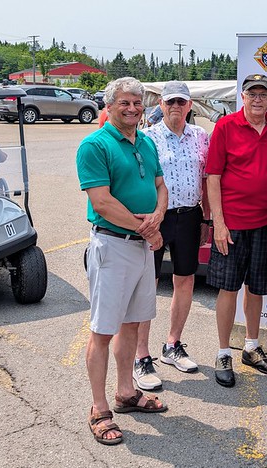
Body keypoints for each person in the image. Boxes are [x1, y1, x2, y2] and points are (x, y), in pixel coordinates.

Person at [76, 77, 169, 445]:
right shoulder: (94, 145)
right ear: (110, 106)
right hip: (113, 247)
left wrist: (159, 214)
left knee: (132, 324)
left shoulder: (145, 141)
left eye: (137, 102)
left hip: (141, 246)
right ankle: (99, 409)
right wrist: (148, 230)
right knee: (103, 330)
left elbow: (160, 186)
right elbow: (101, 202)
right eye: (124, 103)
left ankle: (126, 392)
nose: (132, 108)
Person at [206, 74, 267, 387]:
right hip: (233, 226)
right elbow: (213, 177)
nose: (257, 99)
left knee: (257, 288)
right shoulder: (226, 127)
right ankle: (224, 351)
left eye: (263, 94)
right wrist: (219, 223)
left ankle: (251, 347)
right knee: (228, 289)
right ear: (242, 96)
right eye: (252, 94)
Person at [130, 81, 210, 391]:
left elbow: (206, 179)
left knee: (185, 280)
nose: (176, 106)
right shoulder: (147, 138)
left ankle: (172, 345)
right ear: (161, 105)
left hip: (189, 216)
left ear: (190, 105)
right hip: (156, 218)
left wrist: (206, 216)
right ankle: (141, 356)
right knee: (147, 286)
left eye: (181, 101)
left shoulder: (201, 137)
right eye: (170, 101)